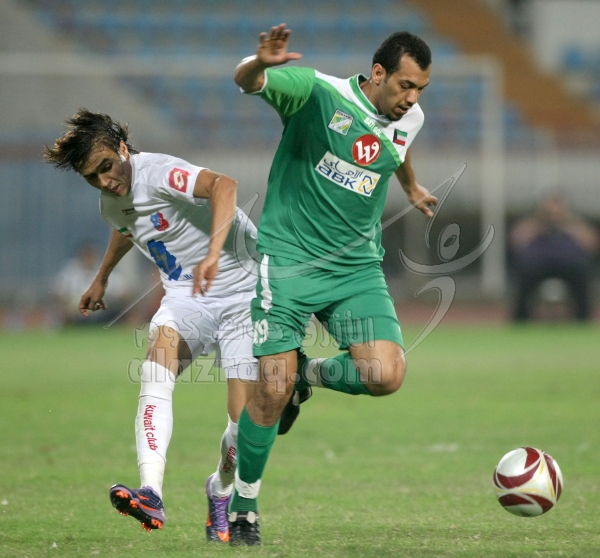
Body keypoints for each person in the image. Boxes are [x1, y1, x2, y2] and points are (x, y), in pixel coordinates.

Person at [227, 25, 438, 545]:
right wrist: (259, 64)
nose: (412, 99)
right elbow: (246, 82)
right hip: (291, 261)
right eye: (405, 86)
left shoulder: (408, 117)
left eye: (420, 89)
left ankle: (307, 374)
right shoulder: (317, 93)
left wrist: (410, 185)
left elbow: (397, 145)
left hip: (355, 269)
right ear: (378, 73)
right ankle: (244, 506)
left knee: (385, 374)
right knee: (270, 389)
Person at [44, 109, 260, 541]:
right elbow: (126, 225)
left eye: (107, 166)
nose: (105, 180)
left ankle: (220, 489)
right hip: (187, 295)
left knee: (244, 426)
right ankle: (151, 493)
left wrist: (213, 254)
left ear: (123, 149)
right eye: (92, 177)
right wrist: (102, 277)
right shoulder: (110, 200)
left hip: (244, 291)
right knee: (154, 370)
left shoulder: (159, 172)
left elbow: (224, 185)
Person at [510, 194, 599, 321]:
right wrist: (540, 223)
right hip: (538, 264)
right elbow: (516, 240)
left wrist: (567, 224)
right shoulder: (535, 225)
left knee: (582, 273)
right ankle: (520, 318)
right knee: (524, 273)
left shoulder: (573, 225)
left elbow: (592, 244)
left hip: (569, 265)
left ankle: (583, 318)